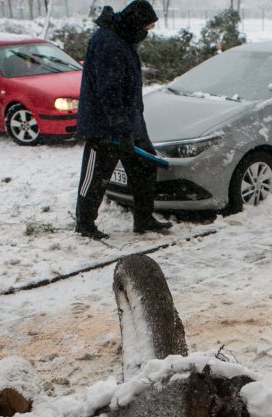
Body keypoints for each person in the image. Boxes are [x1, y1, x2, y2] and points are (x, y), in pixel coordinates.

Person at [74, 0, 171, 239]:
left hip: (130, 121)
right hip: (104, 125)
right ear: (135, 22)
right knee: (97, 175)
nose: (146, 33)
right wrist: (120, 128)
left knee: (145, 168)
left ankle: (144, 219)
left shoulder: (124, 38)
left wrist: (132, 123)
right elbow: (109, 91)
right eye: (146, 28)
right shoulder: (108, 42)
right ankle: (85, 224)